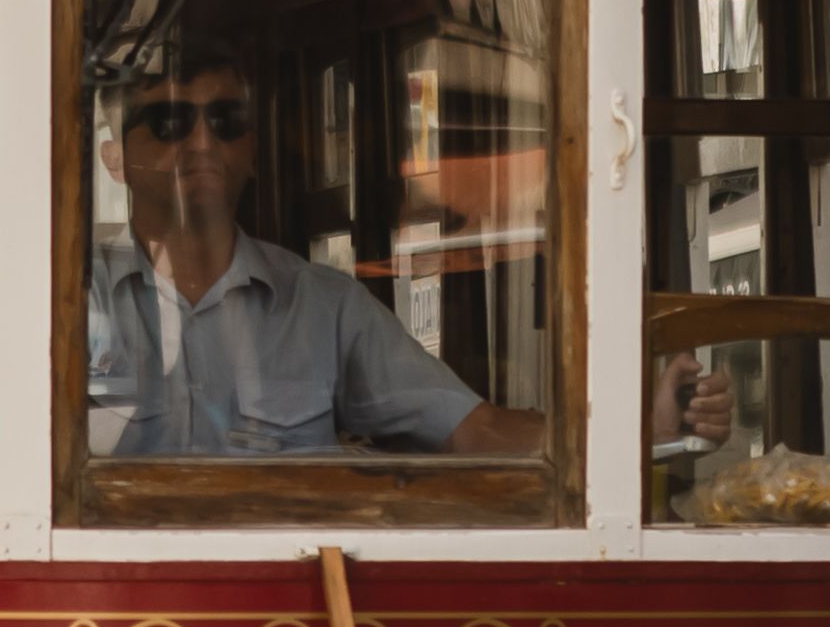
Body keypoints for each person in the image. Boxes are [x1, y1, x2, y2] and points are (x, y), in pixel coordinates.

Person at [80, 46, 729, 458]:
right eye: (168, 123)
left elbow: (472, 428)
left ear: (249, 150)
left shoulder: (323, 305)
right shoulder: (69, 304)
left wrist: (641, 432)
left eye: (225, 122)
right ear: (116, 159)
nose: (201, 142)